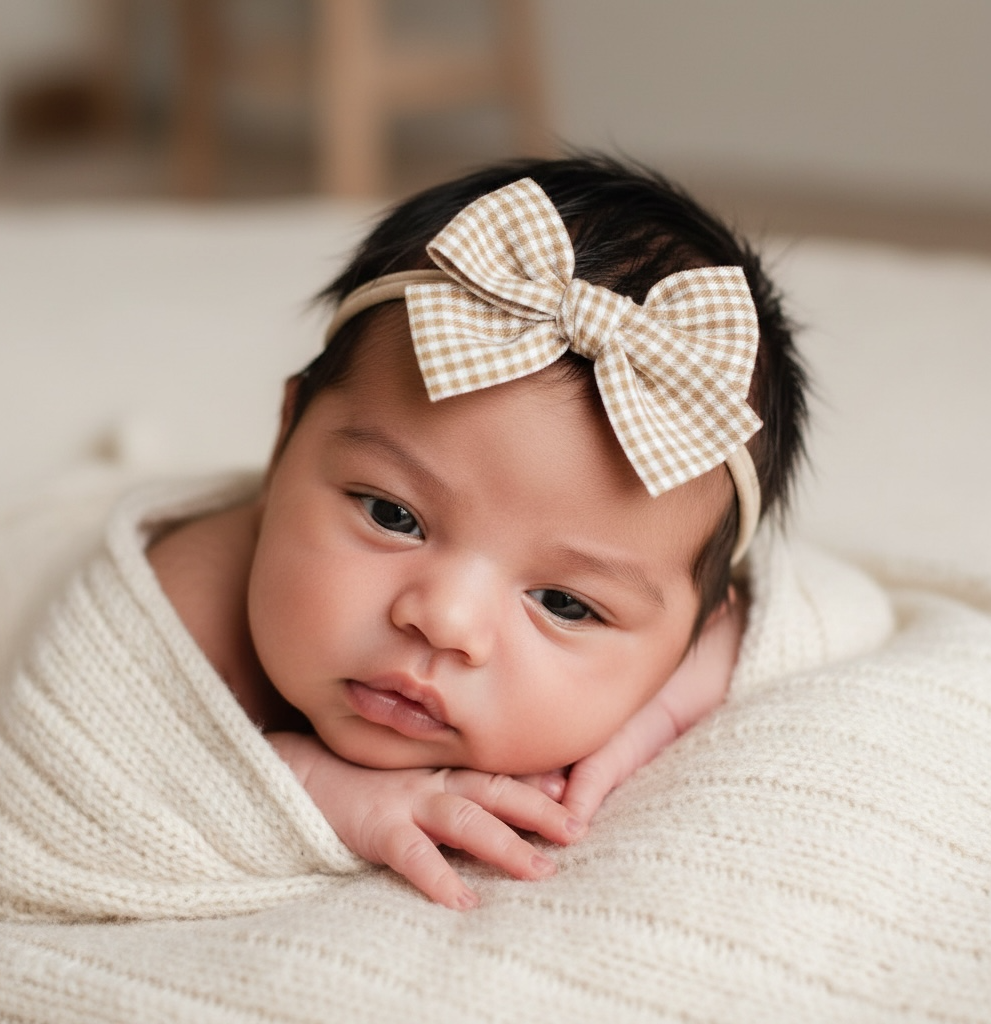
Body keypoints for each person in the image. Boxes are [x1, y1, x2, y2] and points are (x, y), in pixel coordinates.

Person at [147, 155, 808, 911]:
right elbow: (53, 789)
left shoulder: (698, 622)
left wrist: (658, 709)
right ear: (285, 435)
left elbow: (806, 616)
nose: (444, 621)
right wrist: (311, 785)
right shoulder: (190, 607)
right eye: (393, 516)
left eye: (563, 602)